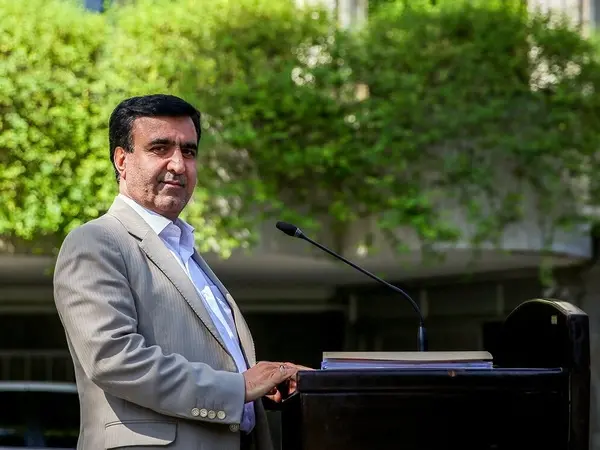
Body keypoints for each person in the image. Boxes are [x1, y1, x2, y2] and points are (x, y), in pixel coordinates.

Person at [53, 94, 304, 450]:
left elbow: (220, 372)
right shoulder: (96, 241)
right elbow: (113, 358)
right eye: (160, 148)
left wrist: (263, 387)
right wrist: (238, 387)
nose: (178, 164)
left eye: (188, 151)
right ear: (121, 160)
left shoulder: (184, 250)